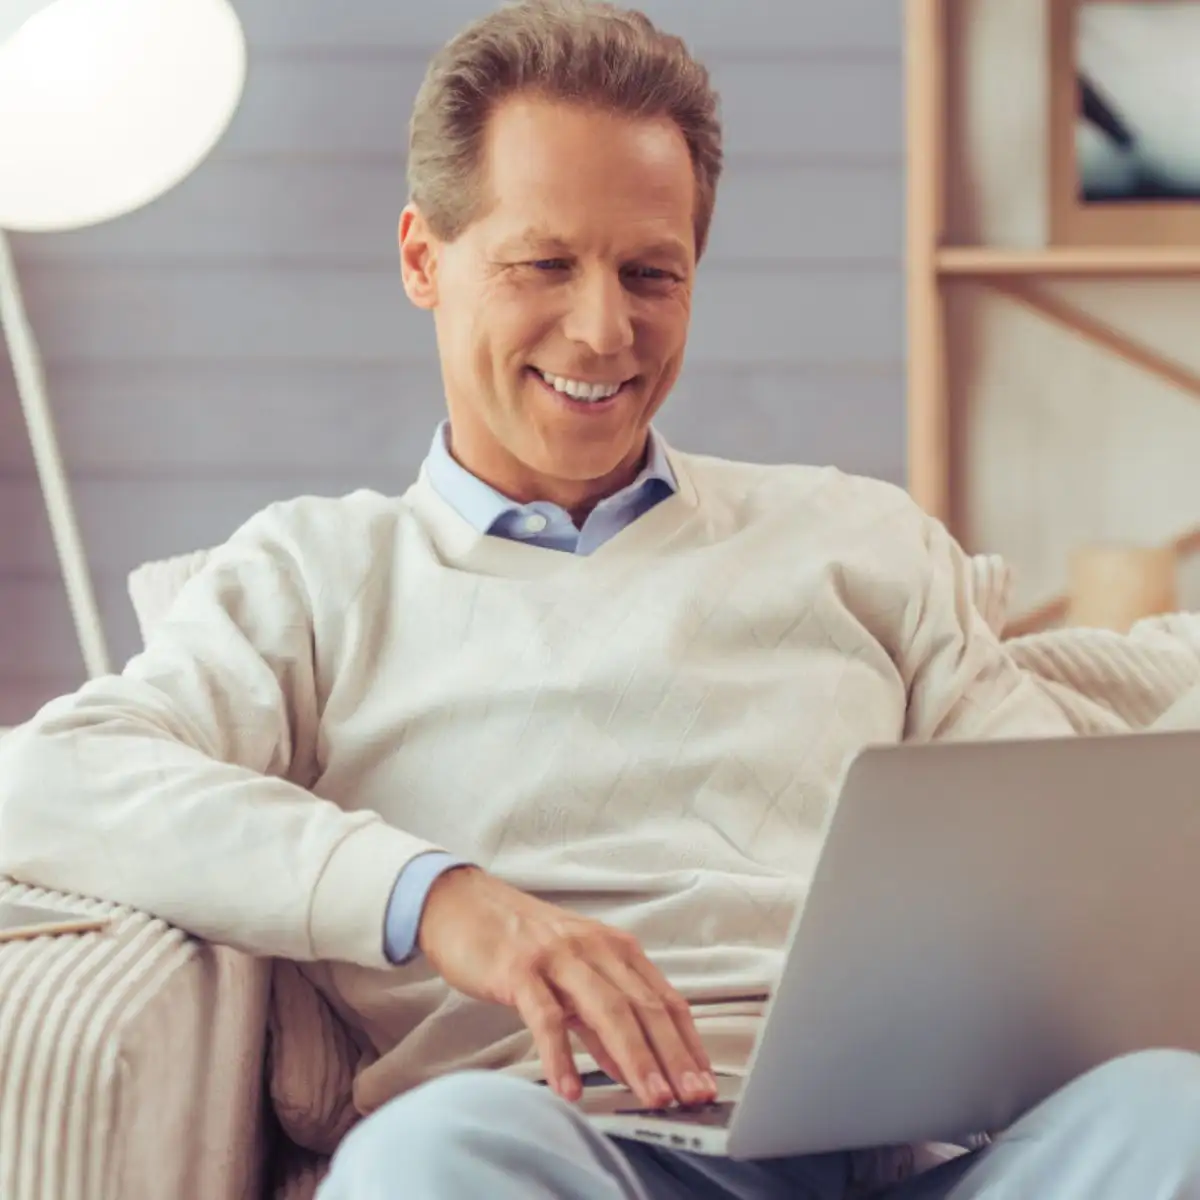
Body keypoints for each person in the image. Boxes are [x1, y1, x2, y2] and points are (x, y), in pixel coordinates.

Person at [1, 2, 1199, 1196]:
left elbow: (1063, 856)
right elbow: (47, 781)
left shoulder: (860, 538)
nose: (604, 329)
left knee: (1174, 1110)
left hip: (909, 1163)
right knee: (425, 1159)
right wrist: (443, 901)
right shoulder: (312, 577)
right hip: (560, 1152)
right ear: (425, 258)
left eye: (650, 273)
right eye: (543, 265)